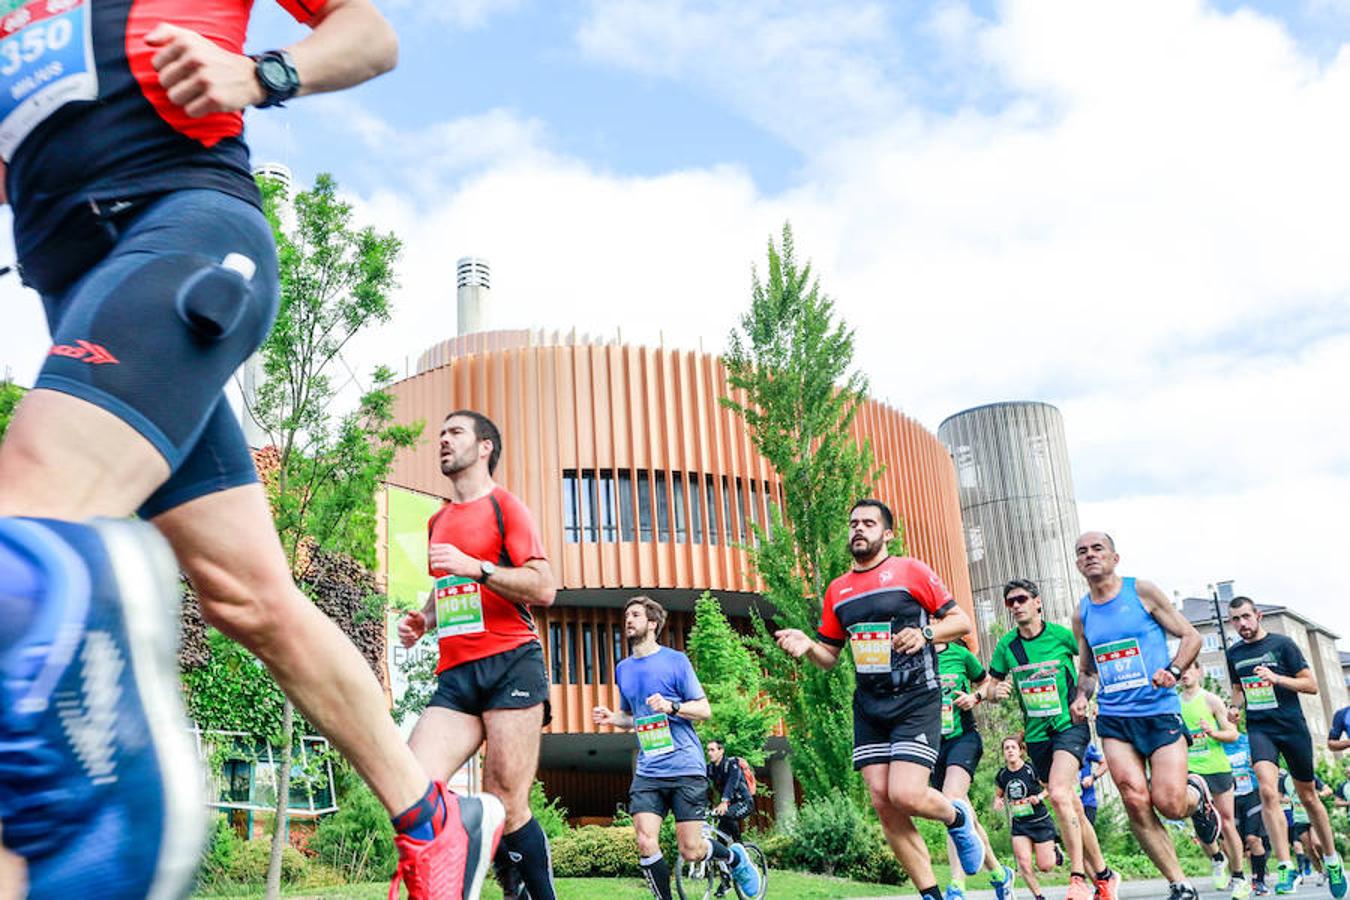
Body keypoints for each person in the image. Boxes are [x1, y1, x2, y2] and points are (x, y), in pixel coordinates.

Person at [0, 3, 500, 898]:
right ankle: (434, 817)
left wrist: (263, 73)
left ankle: (106, 842)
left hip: (182, 242)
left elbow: (370, 32)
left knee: (23, 537)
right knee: (250, 597)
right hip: (85, 299)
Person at [773, 499, 987, 900]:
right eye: (853, 523)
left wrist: (925, 635)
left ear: (887, 533)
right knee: (884, 803)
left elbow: (961, 622)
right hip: (870, 706)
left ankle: (957, 816)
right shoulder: (838, 589)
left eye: (868, 523)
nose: (859, 529)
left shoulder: (911, 571)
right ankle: (931, 895)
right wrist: (807, 645)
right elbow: (830, 655)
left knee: (905, 794)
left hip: (916, 699)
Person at [397, 410, 559, 900]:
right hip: (457, 675)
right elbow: (446, 587)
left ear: (484, 446)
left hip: (512, 661)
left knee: (508, 803)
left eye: (454, 433)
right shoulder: (438, 519)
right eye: (440, 434)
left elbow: (544, 586)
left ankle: (531, 893)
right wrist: (424, 620)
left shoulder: (506, 508)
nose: (442, 440)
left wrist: (479, 567)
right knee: (410, 786)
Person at [1070, 532, 1217, 900]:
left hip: (1158, 711)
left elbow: (1191, 636)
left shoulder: (1142, 592)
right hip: (1116, 718)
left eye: (1097, 549)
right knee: (1134, 799)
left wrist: (1173, 668)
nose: (1090, 555)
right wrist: (1080, 697)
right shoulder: (1082, 611)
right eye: (1082, 552)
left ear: (1115, 558)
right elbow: (1087, 671)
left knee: (1169, 802)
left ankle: (1196, 795)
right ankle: (1179, 883)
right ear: (1076, 565)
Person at [592, 597, 762, 900]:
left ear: (653, 624)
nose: (628, 620)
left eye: (635, 615)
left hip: (685, 767)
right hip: (649, 770)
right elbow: (632, 717)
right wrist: (612, 718)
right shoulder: (624, 669)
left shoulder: (676, 661)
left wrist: (671, 706)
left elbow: (704, 709)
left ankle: (735, 858)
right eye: (626, 614)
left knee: (692, 850)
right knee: (645, 842)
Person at [984, 577, 1118, 900]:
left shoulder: (1061, 636)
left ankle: (1077, 879)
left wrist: (1088, 698)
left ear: (1037, 602)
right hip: (1036, 736)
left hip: (1069, 725)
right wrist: (993, 692)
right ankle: (1104, 875)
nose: (1016, 606)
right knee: (1070, 804)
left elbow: (1091, 666)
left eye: (1021, 599)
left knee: (1058, 794)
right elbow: (989, 685)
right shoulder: (1007, 647)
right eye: (1010, 602)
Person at [1226, 595, 1346, 896]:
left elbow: (1311, 685)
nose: (1241, 624)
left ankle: (1331, 859)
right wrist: (1234, 707)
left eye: (1245, 617)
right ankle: (1285, 865)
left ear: (1258, 616)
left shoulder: (1283, 645)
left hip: (1291, 727)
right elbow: (1238, 690)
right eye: (1235, 620)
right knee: (1268, 790)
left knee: (1308, 797)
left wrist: (1276, 678)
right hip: (1260, 728)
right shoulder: (1234, 654)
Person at [932, 638, 1017, 900]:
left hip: (963, 739)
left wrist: (974, 698)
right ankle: (1000, 875)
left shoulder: (960, 654)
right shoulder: (914, 656)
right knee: (968, 819)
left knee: (952, 806)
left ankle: (956, 887)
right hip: (932, 745)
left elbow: (986, 684)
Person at [1178, 660, 1250, 898]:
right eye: (1182, 670)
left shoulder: (1210, 699)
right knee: (1200, 821)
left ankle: (1239, 876)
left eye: (1190, 669)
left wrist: (1212, 733)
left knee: (1227, 822)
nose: (1185, 674)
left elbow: (1232, 733)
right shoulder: (1174, 702)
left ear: (1199, 671)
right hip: (1191, 771)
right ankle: (1218, 858)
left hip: (1217, 768)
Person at [994, 736, 1060, 900]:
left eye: (1013, 748)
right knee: (1023, 864)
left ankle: (1055, 848)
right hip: (1020, 825)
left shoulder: (1031, 769)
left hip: (1040, 821)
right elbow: (999, 794)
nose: (1009, 751)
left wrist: (1039, 797)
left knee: (1045, 866)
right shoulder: (1002, 775)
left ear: (1021, 751)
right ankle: (1038, 896)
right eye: (1006, 748)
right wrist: (998, 801)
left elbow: (1049, 788)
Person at [1225, 705, 1272, 896]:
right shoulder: (1218, 744)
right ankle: (1239, 877)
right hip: (1230, 798)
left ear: (1238, 719)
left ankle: (1259, 881)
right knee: (1231, 843)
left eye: (1233, 715)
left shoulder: (1248, 741)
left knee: (1253, 839)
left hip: (1251, 794)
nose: (1229, 718)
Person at [706, 740, 753, 846]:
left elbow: (732, 782)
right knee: (720, 836)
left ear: (721, 751)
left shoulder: (732, 763)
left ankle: (740, 847)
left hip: (744, 802)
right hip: (728, 806)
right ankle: (722, 861)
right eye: (708, 750)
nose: (709, 753)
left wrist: (724, 801)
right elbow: (702, 785)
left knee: (728, 815)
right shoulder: (711, 769)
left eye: (712, 750)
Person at [1078, 743, 1107, 827]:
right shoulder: (1057, 749)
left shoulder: (1085, 746)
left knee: (1086, 834)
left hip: (1087, 802)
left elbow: (1105, 763)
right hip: (1068, 802)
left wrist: (1092, 777)